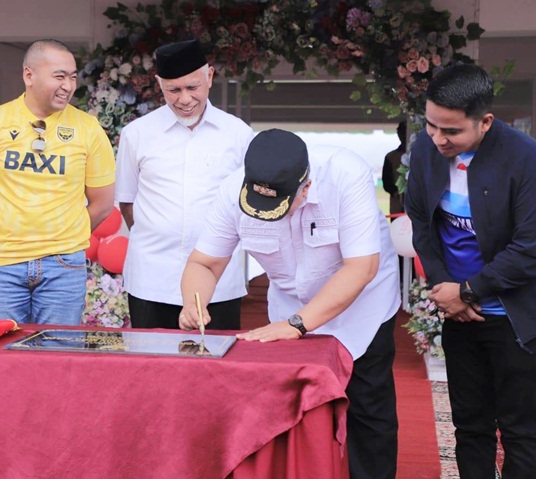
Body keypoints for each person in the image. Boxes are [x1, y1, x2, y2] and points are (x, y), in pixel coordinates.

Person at [180, 129, 401, 479]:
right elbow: (204, 263)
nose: (273, 215)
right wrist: (194, 302)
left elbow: (361, 268)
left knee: (367, 412)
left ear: (307, 187)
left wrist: (298, 324)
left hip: (361, 307)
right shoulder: (231, 191)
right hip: (287, 307)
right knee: (290, 411)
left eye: (281, 206)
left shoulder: (346, 174)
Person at [406, 63, 536, 478]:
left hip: (514, 318)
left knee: (521, 431)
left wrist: (468, 290)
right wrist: (447, 288)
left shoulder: (525, 158)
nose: (438, 139)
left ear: (485, 122)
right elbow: (421, 222)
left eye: (452, 132)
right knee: (470, 425)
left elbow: (529, 246)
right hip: (459, 314)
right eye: (431, 125)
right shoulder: (427, 148)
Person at [0, 39, 115, 325]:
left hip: (64, 266)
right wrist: (7, 231)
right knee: (4, 361)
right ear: (29, 75)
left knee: (58, 357)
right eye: (59, 76)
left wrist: (63, 236)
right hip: (2, 264)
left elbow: (103, 203)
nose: (68, 85)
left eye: (72, 76)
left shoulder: (88, 128)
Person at [116, 39, 254, 330]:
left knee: (215, 368)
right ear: (159, 84)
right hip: (152, 280)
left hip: (219, 281)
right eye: (173, 90)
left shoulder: (238, 134)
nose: (184, 99)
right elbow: (127, 202)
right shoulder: (137, 133)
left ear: (210, 77)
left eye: (193, 88)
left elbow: (248, 203)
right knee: (151, 368)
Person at [382, 120, 406, 215]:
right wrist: (395, 193)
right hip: (397, 205)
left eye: (405, 132)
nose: (403, 135)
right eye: (401, 132)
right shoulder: (391, 157)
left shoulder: (421, 155)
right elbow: (387, 181)